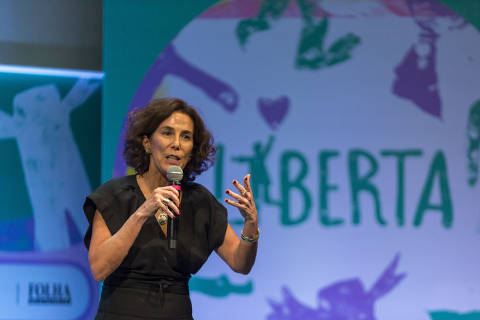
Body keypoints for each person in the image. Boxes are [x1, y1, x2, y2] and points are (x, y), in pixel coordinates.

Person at [83, 98, 259, 320]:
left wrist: (251, 225)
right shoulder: (114, 196)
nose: (176, 143)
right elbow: (99, 268)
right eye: (167, 133)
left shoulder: (199, 201)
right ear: (147, 143)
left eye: (186, 137)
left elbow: (240, 263)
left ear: (192, 149)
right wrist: (142, 212)